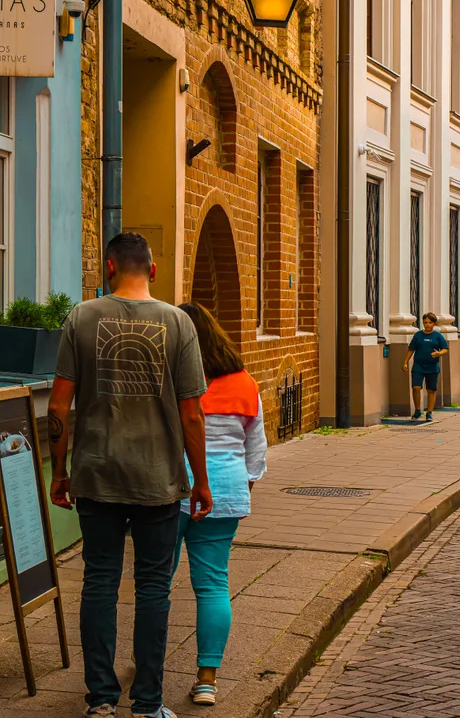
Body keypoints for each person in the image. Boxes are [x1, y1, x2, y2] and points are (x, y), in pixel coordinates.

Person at [47, 232, 212, 718]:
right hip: (157, 478)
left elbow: (59, 404)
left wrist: (61, 472)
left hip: (96, 475)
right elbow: (193, 416)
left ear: (109, 269)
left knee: (98, 582)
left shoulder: (82, 317)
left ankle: (99, 700)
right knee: (153, 589)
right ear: (154, 270)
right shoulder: (178, 323)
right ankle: (147, 704)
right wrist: (200, 480)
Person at [175, 303, 267, 707]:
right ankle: (207, 679)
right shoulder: (245, 382)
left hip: (171, 488)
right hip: (226, 489)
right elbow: (256, 448)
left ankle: (143, 662)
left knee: (154, 584)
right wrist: (241, 486)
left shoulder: (169, 378)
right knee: (213, 584)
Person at [403, 312, 449, 421]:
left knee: (431, 390)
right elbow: (411, 349)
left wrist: (439, 353)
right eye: (425, 322)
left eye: (430, 322)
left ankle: (429, 412)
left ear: (434, 323)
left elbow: (445, 349)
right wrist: (405, 362)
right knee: (416, 387)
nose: (427, 325)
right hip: (418, 366)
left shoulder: (437, 336)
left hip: (432, 367)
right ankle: (418, 410)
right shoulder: (418, 335)